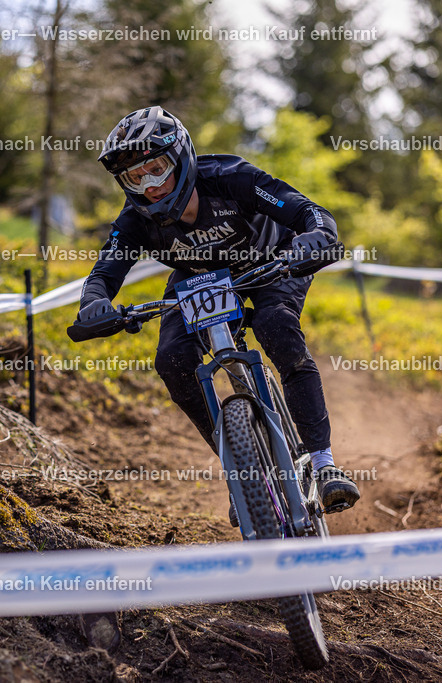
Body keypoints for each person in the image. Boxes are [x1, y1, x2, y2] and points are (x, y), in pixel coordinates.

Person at [78, 106, 361, 518]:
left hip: (273, 261)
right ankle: (244, 470)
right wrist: (94, 304)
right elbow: (103, 273)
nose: (150, 186)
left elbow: (308, 212)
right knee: (172, 360)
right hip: (197, 278)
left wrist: (316, 236)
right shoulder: (134, 221)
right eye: (134, 178)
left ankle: (323, 464)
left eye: (156, 169)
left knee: (275, 324)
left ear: (181, 157)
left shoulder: (232, 178)